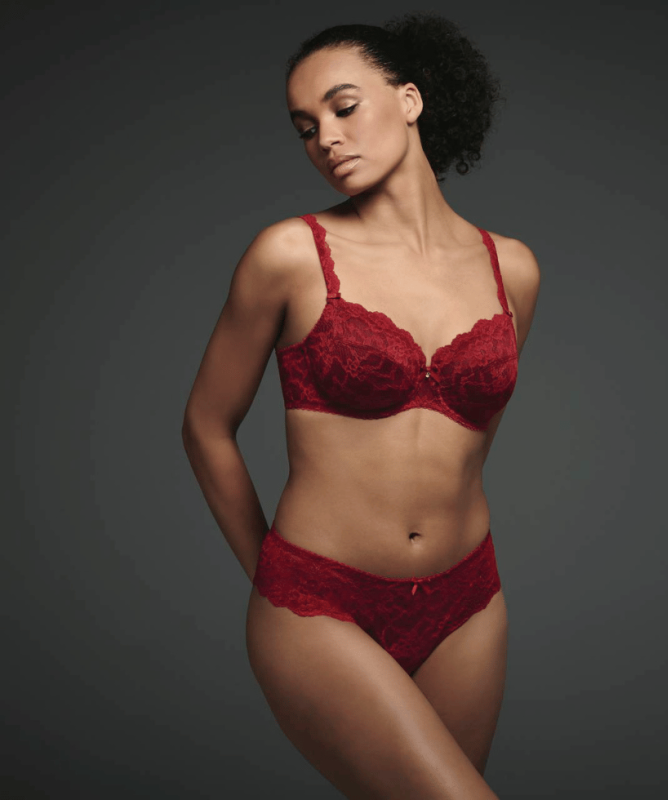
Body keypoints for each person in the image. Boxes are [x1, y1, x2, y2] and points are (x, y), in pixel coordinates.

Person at [182, 12, 541, 799]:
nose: (326, 139)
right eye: (306, 128)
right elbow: (205, 426)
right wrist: (273, 578)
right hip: (321, 601)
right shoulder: (289, 254)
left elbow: (471, 442)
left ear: (411, 100)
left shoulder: (511, 268)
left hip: (467, 604)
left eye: (344, 108)